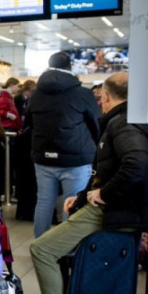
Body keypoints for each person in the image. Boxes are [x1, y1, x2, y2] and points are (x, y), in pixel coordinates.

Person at [18, 73, 148, 294]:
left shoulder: (124, 125)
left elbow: (137, 167)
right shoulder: (128, 120)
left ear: (105, 96)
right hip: (116, 204)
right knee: (57, 248)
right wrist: (83, 197)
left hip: (115, 210)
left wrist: (102, 195)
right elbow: (106, 170)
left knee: (42, 248)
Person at [26, 51, 101, 238]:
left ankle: (40, 243)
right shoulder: (82, 93)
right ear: (70, 67)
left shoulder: (36, 95)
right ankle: (66, 248)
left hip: (43, 156)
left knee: (44, 202)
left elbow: (28, 124)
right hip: (76, 157)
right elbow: (98, 124)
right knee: (73, 202)